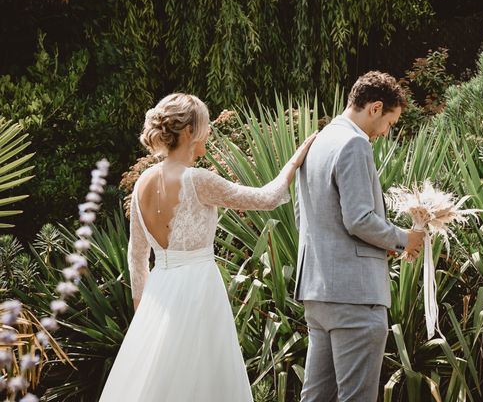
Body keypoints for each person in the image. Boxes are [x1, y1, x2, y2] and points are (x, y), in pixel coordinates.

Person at [99, 93, 316, 402]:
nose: (210, 130)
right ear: (188, 132)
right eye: (205, 124)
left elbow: (136, 257)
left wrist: (143, 317)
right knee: (203, 382)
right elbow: (266, 199)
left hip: (159, 295)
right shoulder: (198, 180)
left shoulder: (142, 182)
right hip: (199, 292)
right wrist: (296, 160)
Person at [295, 71, 425, 402]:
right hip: (355, 296)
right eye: (390, 122)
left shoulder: (317, 141)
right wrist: (404, 239)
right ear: (375, 107)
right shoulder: (354, 143)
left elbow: (303, 216)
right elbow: (359, 219)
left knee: (316, 397)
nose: (385, 131)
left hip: (317, 291)